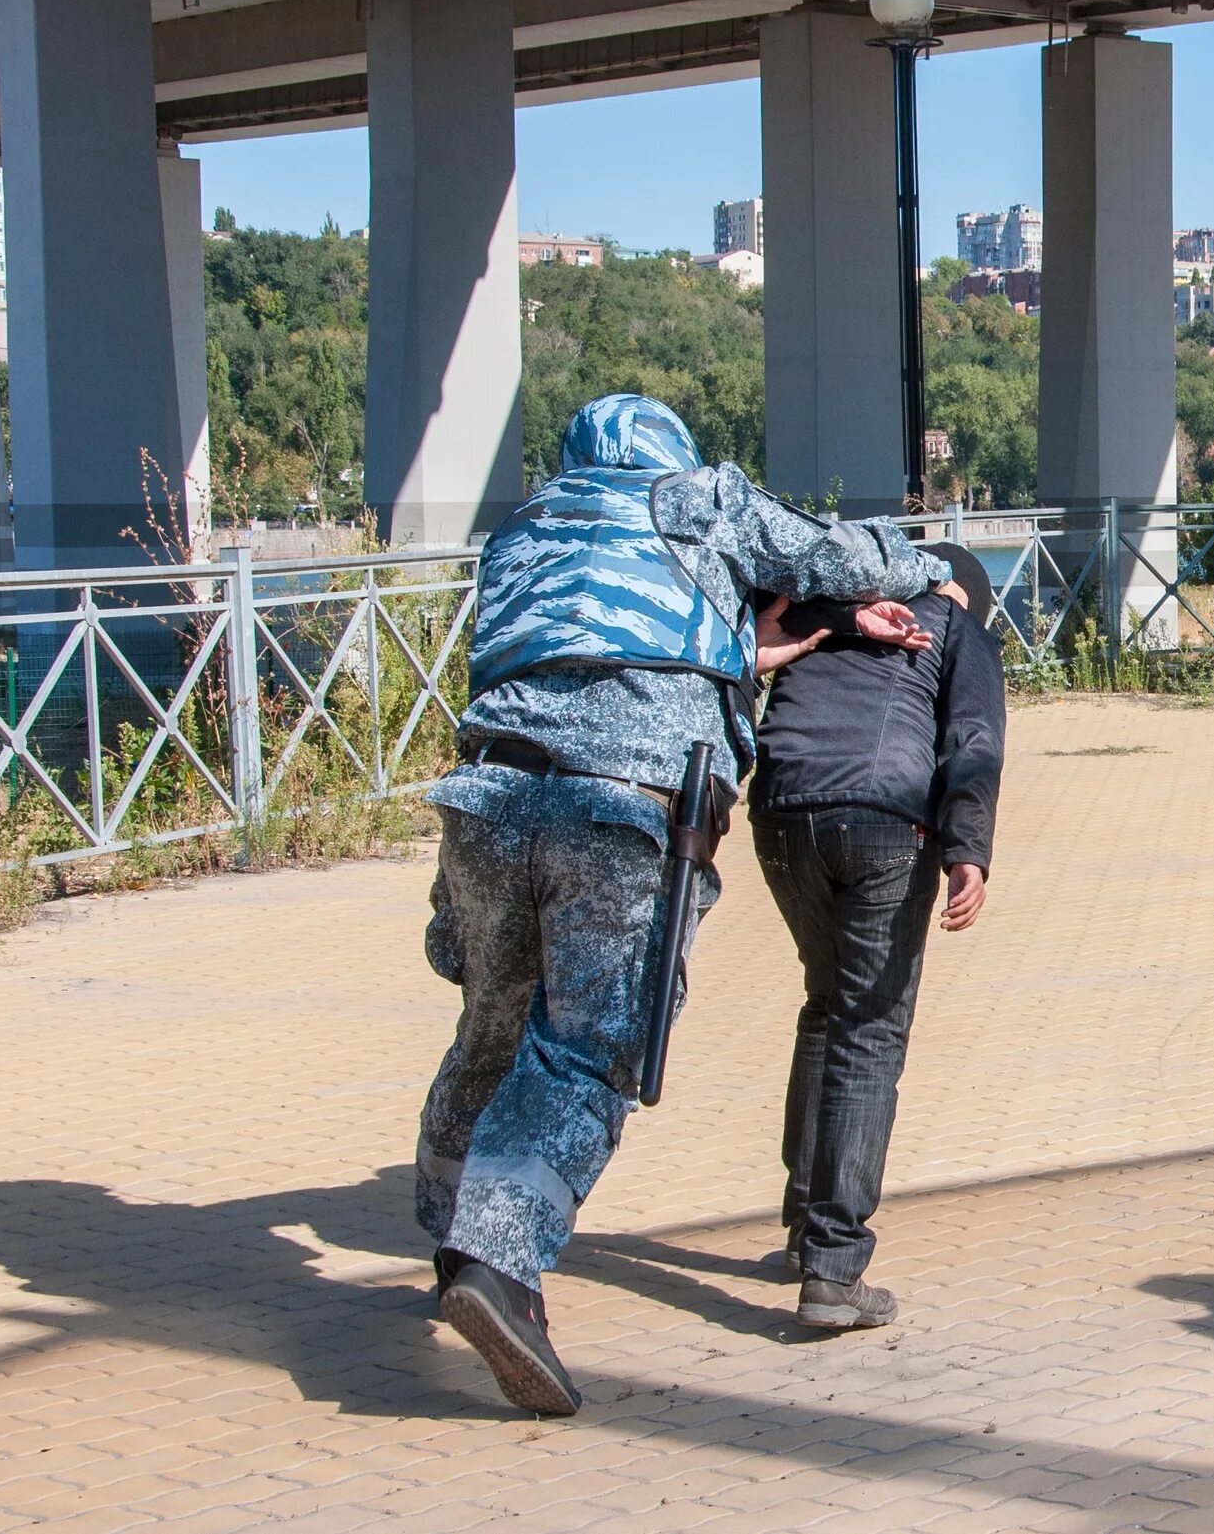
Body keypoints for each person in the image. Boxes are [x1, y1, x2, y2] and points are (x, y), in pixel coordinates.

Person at [417, 393, 949, 1415]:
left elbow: (610, 651)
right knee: (590, 1049)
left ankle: (445, 1230)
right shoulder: (696, 499)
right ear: (675, 455)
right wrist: (922, 569)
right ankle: (497, 1262)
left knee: (491, 1028)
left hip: (486, 796)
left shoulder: (525, 527)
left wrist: (762, 650)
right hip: (619, 806)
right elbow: (832, 555)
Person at [747, 543, 1005, 1331]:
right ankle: (832, 1262)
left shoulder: (832, 609)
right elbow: (973, 740)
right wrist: (969, 852)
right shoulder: (959, 631)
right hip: (884, 820)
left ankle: (803, 1219)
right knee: (870, 1028)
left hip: (782, 812)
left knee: (828, 1003)